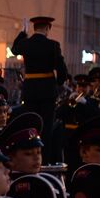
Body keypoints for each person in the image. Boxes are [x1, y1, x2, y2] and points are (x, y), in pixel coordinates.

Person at [10, 16, 69, 145]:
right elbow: (61, 68)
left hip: (30, 90)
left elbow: (14, 49)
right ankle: (45, 158)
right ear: (47, 28)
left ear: (34, 28)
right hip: (48, 91)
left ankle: (31, 149)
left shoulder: (25, 43)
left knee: (31, 123)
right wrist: (58, 84)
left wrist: (22, 33)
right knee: (46, 127)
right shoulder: (53, 45)